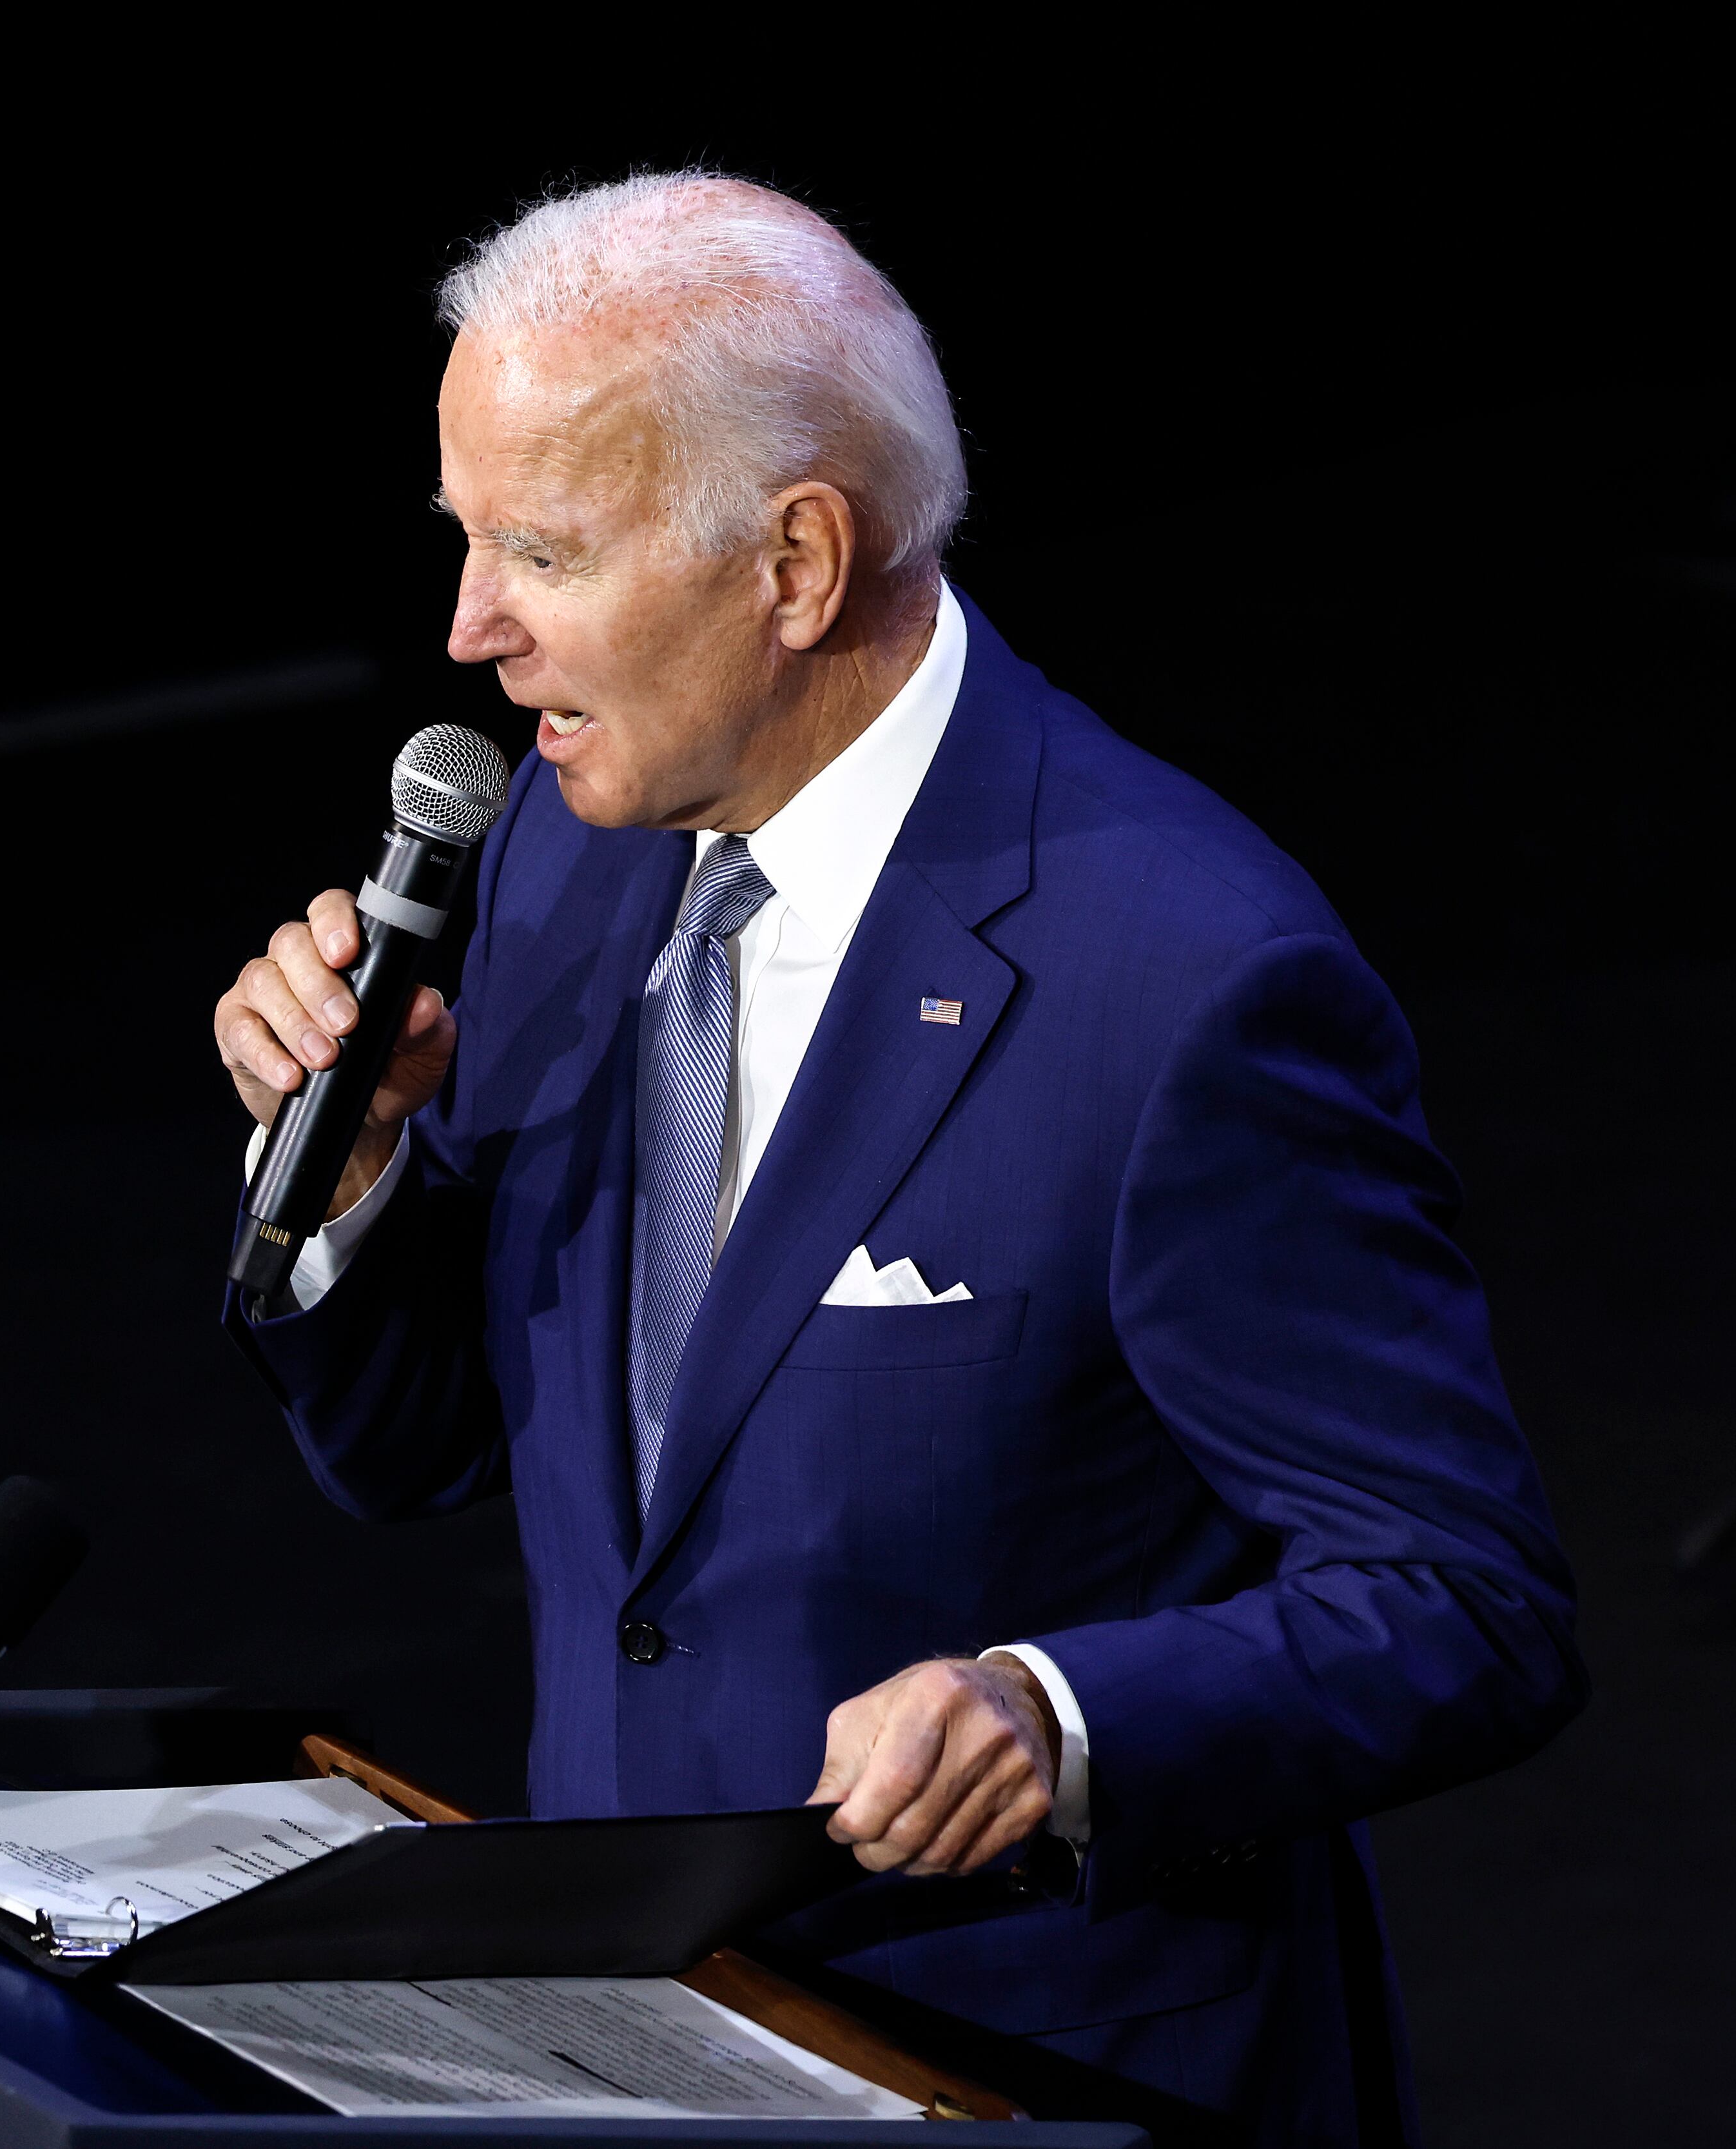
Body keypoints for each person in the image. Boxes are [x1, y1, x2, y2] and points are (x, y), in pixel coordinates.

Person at [211, 173, 1582, 2147]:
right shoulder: (566, 852)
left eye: (543, 550)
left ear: (796, 560)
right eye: (466, 539)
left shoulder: (1186, 978)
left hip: (1035, 2076)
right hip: (629, 2050)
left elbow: (1470, 1603)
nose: (470, 629)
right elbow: (424, 1448)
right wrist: (349, 1181)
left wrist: (1059, 1716)